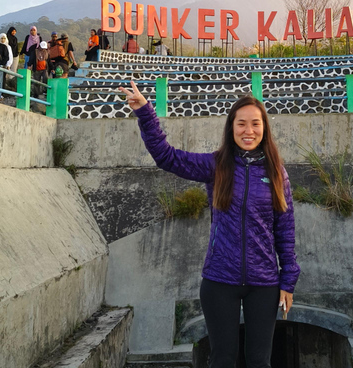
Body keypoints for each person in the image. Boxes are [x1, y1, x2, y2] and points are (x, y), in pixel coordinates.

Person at [118, 82, 299, 368]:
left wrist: (287, 281)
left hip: (264, 283)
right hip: (219, 280)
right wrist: (145, 112)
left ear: (264, 128)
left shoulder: (277, 173)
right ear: (231, 127)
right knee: (222, 359)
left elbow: (285, 229)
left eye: (255, 124)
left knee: (259, 361)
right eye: (241, 123)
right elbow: (166, 156)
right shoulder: (216, 165)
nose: (248, 130)